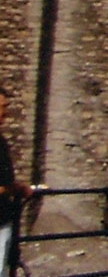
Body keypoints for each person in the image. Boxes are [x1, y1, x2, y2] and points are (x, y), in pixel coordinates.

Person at [0, 87, 34, 275]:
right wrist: (12, 189)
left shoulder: (1, 142)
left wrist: (15, 188)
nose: (5, 112)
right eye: (1, 107)